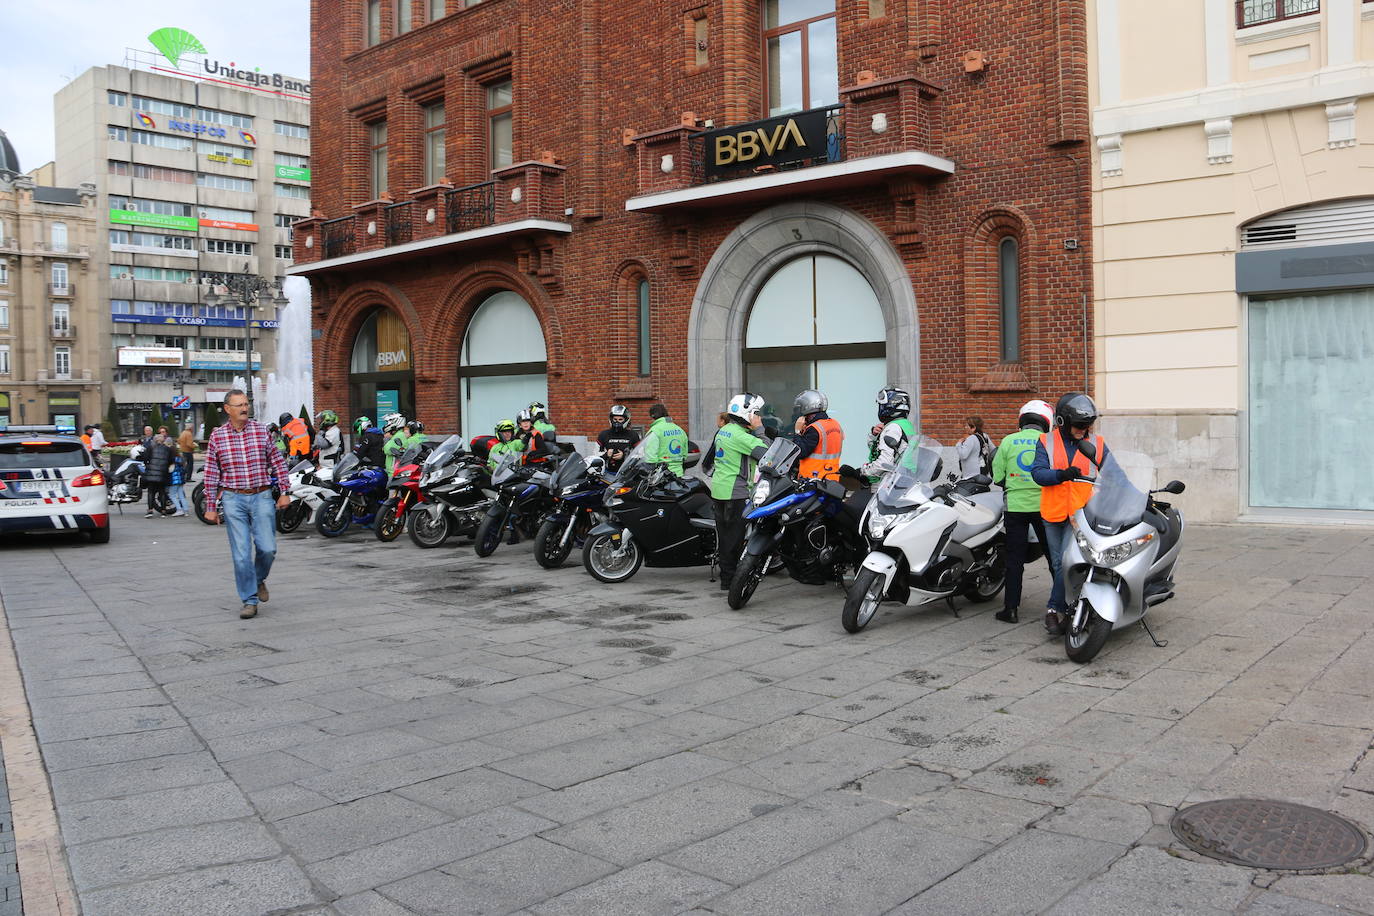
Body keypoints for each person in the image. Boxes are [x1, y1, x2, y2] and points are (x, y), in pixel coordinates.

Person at [203, 389, 292, 619]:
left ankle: (258, 578)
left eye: (246, 404)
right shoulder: (218, 436)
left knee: (268, 548)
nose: (244, 408)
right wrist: (210, 506)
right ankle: (249, 600)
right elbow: (212, 473)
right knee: (241, 554)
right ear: (227, 409)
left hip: (261, 495)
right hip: (233, 498)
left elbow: (277, 462)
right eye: (239, 405)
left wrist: (284, 491)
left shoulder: (261, 431)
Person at [1031, 392, 1110, 636]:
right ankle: (1070, 604)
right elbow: (1038, 473)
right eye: (1079, 425)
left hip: (1082, 514)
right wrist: (1061, 475)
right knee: (1058, 563)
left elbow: (1113, 471)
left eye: (1087, 425)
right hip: (1053, 512)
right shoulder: (1046, 441)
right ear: (1063, 422)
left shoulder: (1097, 443)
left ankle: (1054, 609)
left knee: (1067, 561)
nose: (1083, 430)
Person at [992, 399, 1056, 624]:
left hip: (1015, 508)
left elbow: (997, 476)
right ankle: (1062, 606)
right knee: (1053, 557)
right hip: (1044, 507)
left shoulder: (1008, 441)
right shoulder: (1049, 442)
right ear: (1046, 421)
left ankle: (1010, 609)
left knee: (1014, 560)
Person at [709, 393, 771, 590]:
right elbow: (768, 454)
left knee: (726, 536)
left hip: (720, 488)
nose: (757, 417)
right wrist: (760, 429)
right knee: (734, 539)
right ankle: (729, 581)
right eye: (755, 413)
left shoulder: (725, 430)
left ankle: (727, 577)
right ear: (747, 414)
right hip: (734, 492)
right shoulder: (740, 436)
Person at [851, 387, 916, 484]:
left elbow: (884, 463)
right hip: (908, 478)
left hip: (893, 482)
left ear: (890, 406)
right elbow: (879, 449)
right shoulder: (905, 425)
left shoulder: (893, 428)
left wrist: (862, 472)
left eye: (881, 405)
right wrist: (874, 435)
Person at [791, 389, 843, 480]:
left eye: (799, 409)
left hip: (812, 480)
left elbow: (800, 451)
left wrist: (797, 432)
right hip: (832, 478)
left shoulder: (814, 429)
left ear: (807, 407)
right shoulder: (835, 424)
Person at [642, 403, 687, 476]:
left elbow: (650, 457)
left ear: (652, 416)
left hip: (662, 476)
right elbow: (684, 455)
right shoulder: (680, 430)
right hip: (679, 474)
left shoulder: (656, 431)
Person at [597, 405, 641, 473]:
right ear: (611, 419)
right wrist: (606, 455)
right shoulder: (603, 434)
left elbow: (640, 455)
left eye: (620, 419)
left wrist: (624, 455)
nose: (617, 422)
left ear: (626, 420)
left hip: (626, 473)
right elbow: (595, 455)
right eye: (615, 419)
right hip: (607, 473)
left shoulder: (633, 435)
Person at [141, 433, 175, 518]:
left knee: (151, 492)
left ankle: (150, 511)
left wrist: (148, 466)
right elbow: (171, 460)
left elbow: (145, 458)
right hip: (162, 473)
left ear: (155, 440)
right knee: (162, 492)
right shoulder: (167, 449)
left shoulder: (151, 448)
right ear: (163, 440)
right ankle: (163, 511)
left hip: (151, 473)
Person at [167, 451, 190, 517]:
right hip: (181, 480)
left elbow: (170, 470)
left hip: (174, 480)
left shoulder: (172, 461)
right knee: (181, 496)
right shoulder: (180, 459)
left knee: (172, 495)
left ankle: (179, 510)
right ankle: (186, 510)